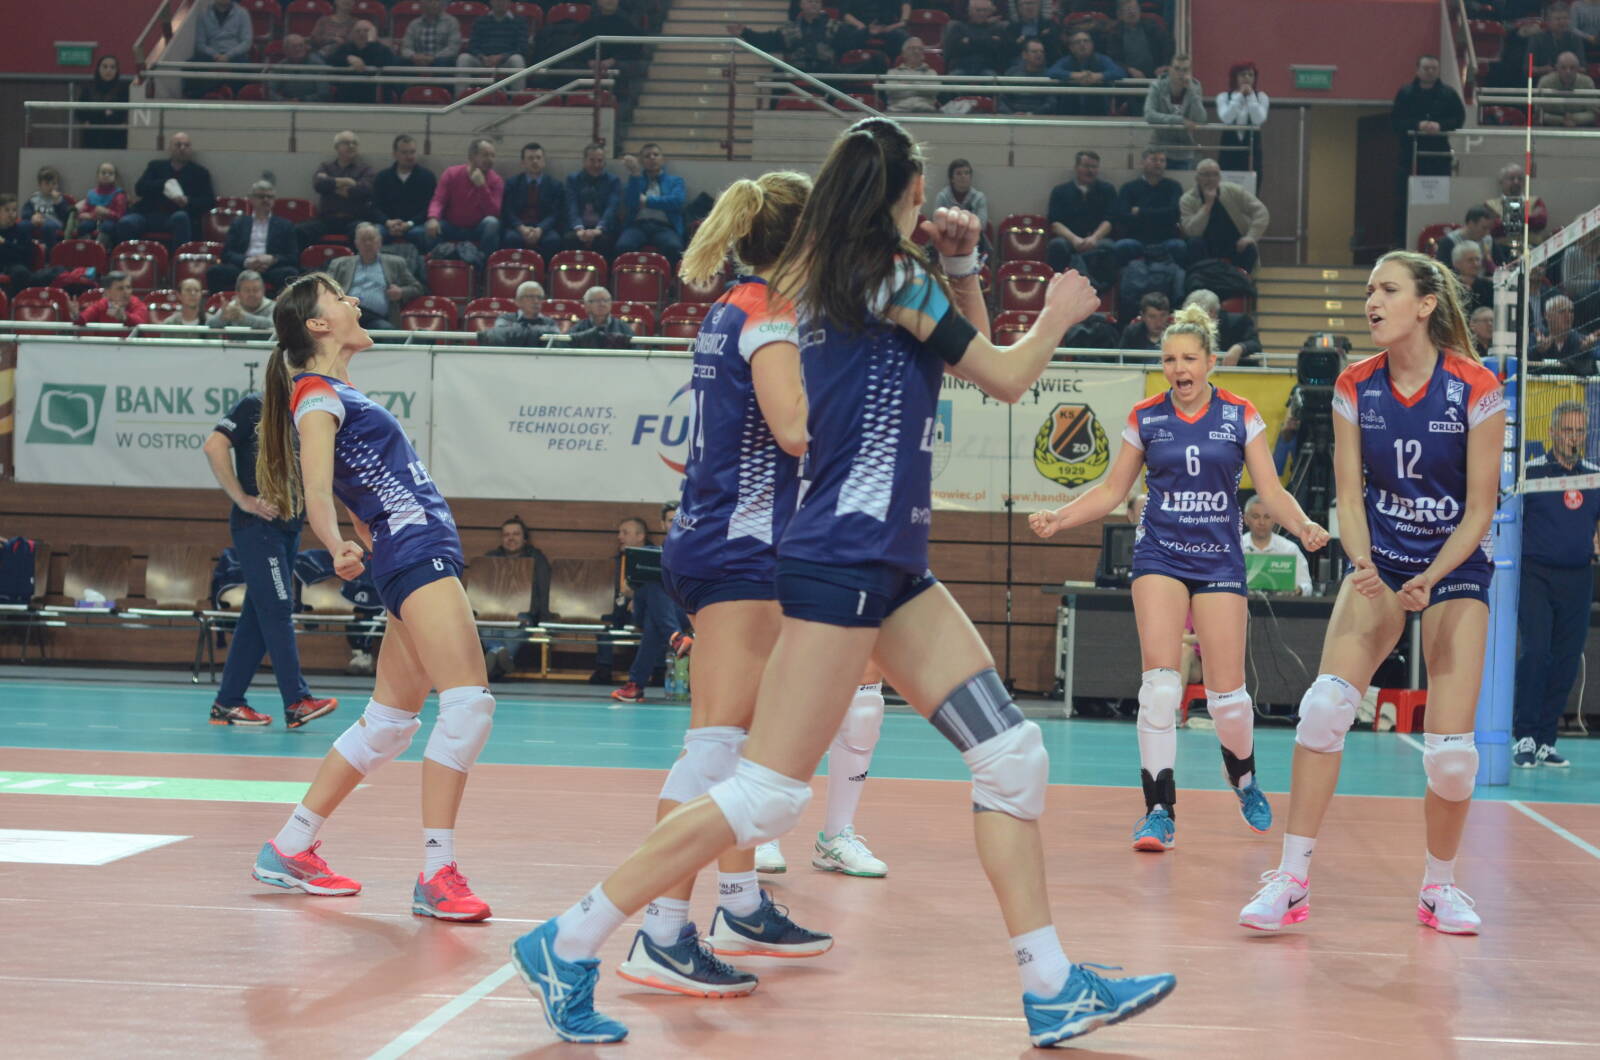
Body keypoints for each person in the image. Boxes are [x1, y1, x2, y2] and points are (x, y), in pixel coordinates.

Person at [509, 116, 1176, 1049]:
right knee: (766, 796)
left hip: (888, 564)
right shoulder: (886, 276)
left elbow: (964, 361)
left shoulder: (847, 278)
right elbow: (1006, 376)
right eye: (924, 194)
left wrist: (964, 267)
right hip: (845, 560)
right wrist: (1059, 312)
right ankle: (569, 939)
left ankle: (1053, 985)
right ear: (906, 194)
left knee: (1012, 756)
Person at [1235, 251, 1504, 937]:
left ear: (1425, 304)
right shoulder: (1355, 385)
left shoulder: (1476, 386)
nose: (1372, 302)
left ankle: (1439, 888)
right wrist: (1362, 561)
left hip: (1455, 566)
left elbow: (1480, 509)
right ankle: (1292, 879)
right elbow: (1349, 496)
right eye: (1368, 291)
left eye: (1388, 290)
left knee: (1452, 757)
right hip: (1381, 557)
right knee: (1324, 710)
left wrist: (1431, 577)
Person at [617, 170, 837, 999]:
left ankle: (739, 905)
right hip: (739, 549)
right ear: (806, 239)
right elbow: (795, 428)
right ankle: (660, 932)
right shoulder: (771, 316)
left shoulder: (732, 306)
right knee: (715, 747)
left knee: (741, 745)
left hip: (723, 540)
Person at [1033, 303, 1326, 850]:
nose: (1178, 368)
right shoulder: (1146, 415)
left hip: (1218, 559)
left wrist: (1304, 525)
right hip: (1161, 556)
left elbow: (1270, 489)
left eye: (1189, 358)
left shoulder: (1239, 413)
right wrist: (1060, 516)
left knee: (1228, 699)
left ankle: (1243, 777)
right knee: (1160, 688)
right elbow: (1113, 490)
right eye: (1169, 359)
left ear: (1210, 361)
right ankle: (1158, 810)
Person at [250, 272, 495, 922]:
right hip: (416, 552)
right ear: (318, 325)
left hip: (408, 549)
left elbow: (355, 491)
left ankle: (290, 846)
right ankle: (437, 873)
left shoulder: (337, 392)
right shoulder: (316, 395)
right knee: (469, 707)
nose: (354, 301)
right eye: (340, 297)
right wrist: (336, 544)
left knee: (389, 724)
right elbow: (317, 488)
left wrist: (363, 535)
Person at [203, 390, 340, 729]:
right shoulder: (256, 405)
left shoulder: (308, 413)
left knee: (256, 616)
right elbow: (214, 445)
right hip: (259, 528)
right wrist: (243, 499)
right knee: (278, 607)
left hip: (288, 528)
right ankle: (297, 701)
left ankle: (228, 702)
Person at [1515, 401, 1596, 768]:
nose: (1573, 437)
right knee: (1536, 653)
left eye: (1579, 431)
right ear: (1551, 432)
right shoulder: (1531, 473)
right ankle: (1525, 736)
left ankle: (1546, 740)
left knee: (1566, 660)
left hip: (1578, 577)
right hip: (1536, 575)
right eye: (1567, 430)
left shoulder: (1593, 476)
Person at [1391, 55, 1465, 241]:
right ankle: (1402, 242)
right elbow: (1395, 121)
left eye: (1434, 68)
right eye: (1426, 68)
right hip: (1409, 157)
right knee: (1404, 203)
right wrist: (1418, 125)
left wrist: (1440, 126)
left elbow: (1459, 119)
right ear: (1418, 70)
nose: (1430, 72)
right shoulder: (1405, 93)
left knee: (1439, 202)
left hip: (1438, 156)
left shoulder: (1448, 93)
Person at [480, 515, 552, 680]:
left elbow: (544, 593)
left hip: (523, 614)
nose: (510, 538)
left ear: (524, 538)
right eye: (506, 535)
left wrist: (543, 626)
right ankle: (504, 658)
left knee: (515, 626)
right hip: (492, 613)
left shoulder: (537, 559)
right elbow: (481, 591)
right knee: (487, 626)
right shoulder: (490, 558)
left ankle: (493, 657)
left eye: (516, 534)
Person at [117, 132, 216, 247]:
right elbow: (139, 188)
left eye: (186, 145)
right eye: (178, 145)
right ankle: (127, 256)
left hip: (176, 216)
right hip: (148, 214)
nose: (182, 148)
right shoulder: (155, 166)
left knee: (181, 217)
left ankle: (178, 257)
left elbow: (209, 201)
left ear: (191, 149)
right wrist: (164, 184)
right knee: (126, 222)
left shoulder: (200, 173)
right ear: (170, 148)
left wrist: (188, 201)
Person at [325, 222, 424, 329]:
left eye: (371, 239)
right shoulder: (339, 264)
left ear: (379, 241)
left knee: (387, 330)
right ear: (356, 243)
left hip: (377, 319)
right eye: (363, 240)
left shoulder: (395, 263)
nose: (368, 243)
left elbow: (417, 288)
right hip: (346, 316)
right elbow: (323, 289)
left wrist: (401, 292)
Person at [209, 179, 299, 295]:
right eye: (261, 196)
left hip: (272, 268)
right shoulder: (239, 223)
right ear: (251, 199)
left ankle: (278, 306)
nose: (266, 200)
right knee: (215, 272)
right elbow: (226, 253)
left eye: (269, 197)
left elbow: (293, 257)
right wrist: (246, 261)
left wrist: (273, 259)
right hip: (243, 267)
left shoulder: (285, 225)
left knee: (291, 273)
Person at [1179, 159, 1268, 273]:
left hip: (1234, 245)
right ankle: (1202, 279)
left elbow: (1261, 211)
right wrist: (1207, 205)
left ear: (1220, 177)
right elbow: (1191, 231)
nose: (1211, 179)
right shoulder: (1187, 199)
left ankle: (1243, 280)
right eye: (1206, 175)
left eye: (1215, 174)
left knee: (1249, 247)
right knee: (1194, 243)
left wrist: (1251, 236)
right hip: (1206, 248)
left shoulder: (1232, 190)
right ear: (1197, 178)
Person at [728, 0, 862, 76]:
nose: (814, 4)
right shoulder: (789, 29)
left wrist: (867, 32)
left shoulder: (835, 26)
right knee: (778, 72)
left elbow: (851, 41)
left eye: (817, 1)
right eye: (809, 1)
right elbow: (768, 41)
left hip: (825, 72)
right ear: (801, 4)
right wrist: (745, 33)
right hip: (797, 70)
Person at [427, 137, 504, 265]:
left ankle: (484, 269)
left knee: (492, 223)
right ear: (472, 156)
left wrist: (482, 187)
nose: (490, 159)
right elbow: (438, 200)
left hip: (477, 228)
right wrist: (433, 218)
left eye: (493, 156)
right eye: (485, 155)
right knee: (431, 226)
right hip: (452, 226)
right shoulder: (451, 174)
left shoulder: (496, 181)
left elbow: (494, 213)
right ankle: (435, 268)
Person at [1046, 150, 1116, 288]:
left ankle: (1100, 290)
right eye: (1086, 166)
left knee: (1108, 247)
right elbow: (1055, 223)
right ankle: (1059, 288)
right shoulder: (1060, 191)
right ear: (1076, 167)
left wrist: (1094, 238)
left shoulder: (1107, 190)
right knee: (1057, 245)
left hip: (1097, 240)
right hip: (1069, 240)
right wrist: (1074, 239)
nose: (1090, 171)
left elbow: (1110, 220)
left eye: (1094, 167)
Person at [1112, 148, 1186, 266]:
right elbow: (1123, 216)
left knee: (1179, 246)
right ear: (1142, 163)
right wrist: (1160, 215)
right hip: (1136, 239)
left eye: (1162, 161)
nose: (1158, 163)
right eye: (1154, 160)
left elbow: (1174, 214)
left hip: (1166, 239)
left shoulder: (1174, 187)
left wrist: (1140, 212)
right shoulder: (1128, 188)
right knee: (1122, 246)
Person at [301, 132, 376, 247]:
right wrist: (348, 181)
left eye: (354, 143)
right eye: (346, 143)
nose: (351, 146)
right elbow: (319, 185)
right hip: (327, 219)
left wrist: (332, 185)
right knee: (300, 231)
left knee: (364, 233)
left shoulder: (365, 169)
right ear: (336, 147)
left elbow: (366, 190)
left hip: (354, 219)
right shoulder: (326, 166)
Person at [616, 144, 688, 264]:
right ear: (641, 161)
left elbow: (676, 202)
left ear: (663, 159)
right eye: (647, 156)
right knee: (623, 246)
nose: (652, 158)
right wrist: (635, 174)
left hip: (665, 227)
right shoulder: (636, 179)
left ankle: (670, 276)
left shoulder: (675, 181)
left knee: (674, 247)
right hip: (638, 225)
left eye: (656, 155)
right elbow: (631, 203)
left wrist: (647, 201)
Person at [374, 134, 436, 265]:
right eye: (404, 152)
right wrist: (387, 222)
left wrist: (409, 224)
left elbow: (430, 208)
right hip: (388, 225)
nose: (409, 156)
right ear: (395, 154)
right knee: (373, 234)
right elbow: (374, 207)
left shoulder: (427, 177)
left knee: (425, 234)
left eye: (412, 152)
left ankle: (422, 270)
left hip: (415, 225)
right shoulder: (382, 177)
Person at [500, 142, 565, 258]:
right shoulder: (512, 184)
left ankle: (545, 270)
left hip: (544, 228)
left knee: (553, 240)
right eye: (530, 158)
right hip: (519, 227)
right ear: (523, 163)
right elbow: (508, 211)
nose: (535, 161)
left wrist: (540, 229)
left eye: (538, 158)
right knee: (510, 239)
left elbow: (555, 214)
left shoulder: (555, 185)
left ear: (544, 162)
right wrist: (521, 228)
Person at [1241, 495, 1314, 595]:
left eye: (1267, 517)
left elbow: (1307, 586)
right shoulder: (1235, 548)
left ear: (1274, 519)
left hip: (1281, 603)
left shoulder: (1289, 549)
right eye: (1256, 516)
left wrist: (1298, 590)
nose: (1261, 522)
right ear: (1246, 519)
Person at [1046, 28, 1126, 117]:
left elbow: (1120, 72)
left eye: (1086, 41)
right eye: (1077, 42)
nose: (1082, 44)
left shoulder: (1101, 60)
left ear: (1092, 45)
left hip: (1098, 114)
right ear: (1071, 47)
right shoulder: (1066, 61)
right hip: (1069, 114)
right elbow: (1051, 72)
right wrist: (1074, 75)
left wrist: (1099, 76)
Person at [456, 0, 531, 93]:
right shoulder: (481, 20)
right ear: (491, 2)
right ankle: (460, 97)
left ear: (510, 2)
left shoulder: (519, 21)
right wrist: (482, 57)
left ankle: (518, 97)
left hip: (507, 61)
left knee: (518, 59)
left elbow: (522, 47)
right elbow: (472, 46)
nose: (500, 2)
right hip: (483, 60)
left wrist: (502, 57)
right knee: (463, 58)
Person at [1143, 55, 1204, 169]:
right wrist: (1180, 120)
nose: (1180, 73)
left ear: (1190, 72)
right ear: (1170, 69)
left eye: (1185, 70)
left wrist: (1192, 91)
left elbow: (1201, 118)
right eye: (1177, 68)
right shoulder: (1157, 86)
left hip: (1184, 150)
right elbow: (1149, 115)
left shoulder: (1195, 87)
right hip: (1158, 148)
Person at [564, 143, 622, 257]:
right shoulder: (573, 180)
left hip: (603, 227)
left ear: (604, 162)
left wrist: (599, 229)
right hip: (578, 226)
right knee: (569, 240)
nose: (596, 165)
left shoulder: (613, 181)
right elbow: (571, 206)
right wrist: (579, 229)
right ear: (584, 161)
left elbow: (612, 208)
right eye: (592, 160)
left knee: (605, 242)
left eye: (600, 161)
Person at [1216, 61, 1268, 185]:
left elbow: (1258, 120)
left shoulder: (1261, 97)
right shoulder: (1224, 97)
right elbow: (1226, 118)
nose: (1247, 78)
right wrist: (1239, 96)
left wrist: (1251, 98)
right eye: (1243, 74)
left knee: (1252, 188)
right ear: (1235, 77)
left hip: (1252, 151)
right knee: (1226, 189)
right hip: (1228, 150)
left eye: (1251, 75)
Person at [187, 0, 252, 97]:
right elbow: (200, 43)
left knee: (246, 68)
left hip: (234, 55)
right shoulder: (203, 15)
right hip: (211, 55)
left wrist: (228, 55)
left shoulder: (242, 13)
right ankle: (196, 98)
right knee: (190, 66)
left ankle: (238, 97)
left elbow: (246, 42)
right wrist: (214, 54)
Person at [1183, 289, 1262, 366]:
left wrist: (1239, 348)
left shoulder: (1238, 321)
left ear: (1213, 312)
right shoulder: (1186, 325)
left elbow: (1255, 344)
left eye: (1198, 315)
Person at [1486, 164, 1548, 262]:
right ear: (1501, 182)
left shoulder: (1535, 201)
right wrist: (1525, 220)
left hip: (1531, 251)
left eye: (1520, 179)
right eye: (1511, 178)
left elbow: (1540, 222)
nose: (1516, 182)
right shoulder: (1490, 205)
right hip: (1501, 253)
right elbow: (1492, 228)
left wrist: (1505, 221)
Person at [933, 159, 992, 260]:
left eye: (966, 173)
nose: (963, 176)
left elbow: (981, 225)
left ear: (971, 177)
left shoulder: (979, 197)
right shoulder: (942, 197)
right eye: (959, 173)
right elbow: (938, 225)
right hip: (947, 243)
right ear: (952, 178)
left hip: (974, 244)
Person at [327, 19, 397, 104]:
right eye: (358, 31)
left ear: (373, 33)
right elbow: (330, 60)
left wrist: (371, 43)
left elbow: (381, 61)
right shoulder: (345, 48)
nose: (361, 34)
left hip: (374, 99)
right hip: (347, 98)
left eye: (366, 31)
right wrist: (347, 58)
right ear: (352, 34)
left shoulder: (382, 49)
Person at [942, 0, 1013, 77]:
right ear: (969, 11)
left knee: (992, 78)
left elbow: (1000, 51)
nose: (981, 13)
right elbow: (954, 50)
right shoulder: (957, 27)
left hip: (987, 68)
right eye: (978, 10)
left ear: (990, 12)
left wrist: (969, 41)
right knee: (953, 78)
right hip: (961, 67)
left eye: (985, 10)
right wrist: (988, 41)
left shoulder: (998, 29)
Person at [1105, 0, 1173, 79]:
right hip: (1128, 79)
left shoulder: (1151, 25)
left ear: (1140, 10)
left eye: (1134, 8)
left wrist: (1165, 65)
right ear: (1120, 14)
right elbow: (1113, 60)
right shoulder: (1115, 33)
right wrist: (1128, 70)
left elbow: (1168, 45)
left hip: (1156, 76)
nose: (1132, 12)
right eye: (1128, 9)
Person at [483, 280, 562, 345]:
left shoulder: (549, 322)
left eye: (539, 297)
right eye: (530, 297)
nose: (536, 301)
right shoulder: (505, 318)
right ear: (518, 301)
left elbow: (557, 338)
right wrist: (537, 333)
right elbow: (499, 334)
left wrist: (519, 331)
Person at [1528, 293, 1593, 371]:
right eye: (1562, 311)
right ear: (1547, 315)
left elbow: (1590, 368)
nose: (1568, 316)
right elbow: (1526, 365)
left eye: (1571, 311)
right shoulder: (1535, 338)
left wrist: (1585, 351)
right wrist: (1538, 350)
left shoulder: (1581, 340)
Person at [79, 53, 130, 151]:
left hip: (116, 136)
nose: (108, 70)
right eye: (105, 66)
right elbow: (80, 111)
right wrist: (104, 112)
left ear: (117, 70)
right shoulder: (88, 88)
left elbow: (124, 113)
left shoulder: (123, 89)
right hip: (92, 134)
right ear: (99, 68)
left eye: (112, 67)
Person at [400, 0, 463, 74]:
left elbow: (453, 48)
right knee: (401, 62)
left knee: (443, 62)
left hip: (440, 60)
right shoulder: (414, 24)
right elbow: (406, 48)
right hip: (417, 61)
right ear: (422, 5)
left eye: (436, 1)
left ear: (442, 4)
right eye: (430, 1)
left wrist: (433, 58)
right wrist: (414, 56)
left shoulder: (451, 22)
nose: (434, 4)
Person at [1537, 51, 1597, 125]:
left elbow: (1594, 113)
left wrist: (1575, 118)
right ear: (1557, 68)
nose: (1568, 72)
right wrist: (1561, 120)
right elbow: (1539, 114)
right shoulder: (1545, 83)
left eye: (1572, 68)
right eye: (1563, 68)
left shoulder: (1587, 83)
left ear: (1578, 69)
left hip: (1582, 127)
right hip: (1549, 127)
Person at [267, 35, 332, 103]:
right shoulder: (282, 65)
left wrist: (301, 100)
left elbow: (324, 93)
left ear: (306, 47)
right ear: (286, 50)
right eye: (294, 46)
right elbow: (269, 90)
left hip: (312, 106)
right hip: (287, 104)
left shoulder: (317, 64)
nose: (298, 49)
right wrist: (283, 100)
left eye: (301, 46)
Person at [75, 161, 128, 245]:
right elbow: (84, 211)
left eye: (110, 173)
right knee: (83, 226)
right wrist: (86, 215)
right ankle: (86, 248)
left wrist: (107, 212)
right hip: (93, 219)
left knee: (107, 226)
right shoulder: (91, 193)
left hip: (110, 221)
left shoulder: (119, 194)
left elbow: (120, 215)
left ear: (115, 177)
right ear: (97, 176)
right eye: (103, 173)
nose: (106, 175)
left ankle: (100, 248)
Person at [885, 36, 941, 113]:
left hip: (926, 113)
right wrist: (921, 87)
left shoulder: (931, 73)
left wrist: (906, 85)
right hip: (897, 112)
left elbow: (934, 91)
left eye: (920, 49)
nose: (916, 51)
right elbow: (891, 91)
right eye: (912, 48)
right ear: (903, 54)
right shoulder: (892, 72)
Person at [1531, 2, 1587, 78]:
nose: (1562, 22)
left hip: (1570, 80)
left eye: (1565, 18)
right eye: (1558, 19)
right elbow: (1528, 68)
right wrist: (1543, 69)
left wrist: (1568, 69)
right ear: (1548, 21)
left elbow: (1583, 68)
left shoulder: (1575, 38)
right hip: (1544, 80)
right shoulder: (1537, 38)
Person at [569, 286, 635, 349]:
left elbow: (636, 349)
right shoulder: (578, 329)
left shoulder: (623, 328)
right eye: (597, 301)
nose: (602, 304)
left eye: (606, 300)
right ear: (586, 305)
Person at [209, 269, 277, 330]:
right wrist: (221, 318)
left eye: (256, 290)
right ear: (238, 293)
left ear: (263, 291)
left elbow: (272, 324)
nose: (251, 294)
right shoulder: (231, 308)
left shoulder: (273, 307)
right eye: (247, 290)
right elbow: (209, 325)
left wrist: (243, 317)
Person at [1435, 206, 1495, 274]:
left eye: (1489, 228)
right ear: (1471, 224)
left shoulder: (1487, 240)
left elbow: (1500, 265)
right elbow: (1443, 272)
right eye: (1484, 228)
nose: (1487, 233)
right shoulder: (1448, 242)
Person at [1001, 38, 1054, 115]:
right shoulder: (1012, 73)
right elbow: (1002, 100)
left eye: (1042, 51)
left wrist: (1032, 114)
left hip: (1039, 118)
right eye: (1034, 51)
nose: (1039, 54)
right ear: (1024, 55)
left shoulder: (1049, 75)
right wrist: (1011, 114)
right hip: (1012, 117)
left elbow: (1051, 103)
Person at [21, 166, 72, 246]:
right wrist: (32, 217)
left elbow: (65, 216)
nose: (51, 186)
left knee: (48, 227)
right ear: (40, 185)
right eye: (47, 184)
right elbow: (25, 212)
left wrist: (57, 203)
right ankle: (26, 248)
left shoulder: (60, 199)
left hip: (54, 223)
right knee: (23, 225)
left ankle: (50, 251)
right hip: (37, 222)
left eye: (54, 183)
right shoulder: (34, 198)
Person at [78, 271, 151, 327]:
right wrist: (75, 316)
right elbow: (83, 319)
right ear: (107, 292)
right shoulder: (100, 305)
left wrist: (125, 317)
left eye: (128, 287)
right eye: (120, 288)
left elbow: (141, 324)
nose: (126, 292)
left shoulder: (137, 304)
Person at [841, 0, 910, 58]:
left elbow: (905, 3)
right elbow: (845, 13)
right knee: (844, 32)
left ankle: (896, 66)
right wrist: (863, 27)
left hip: (887, 27)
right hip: (861, 26)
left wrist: (903, 22)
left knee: (903, 36)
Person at [1451, 242, 1493, 312]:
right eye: (1470, 260)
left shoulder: (1489, 286)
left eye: (1477, 259)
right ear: (1457, 264)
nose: (1475, 264)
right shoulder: (1450, 287)